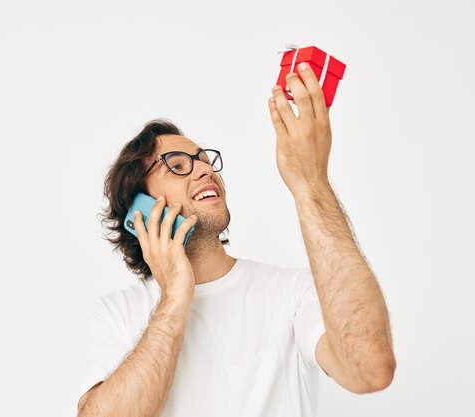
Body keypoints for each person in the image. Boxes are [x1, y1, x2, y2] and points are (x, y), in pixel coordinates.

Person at [77, 62, 396, 417]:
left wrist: (311, 183)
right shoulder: (118, 314)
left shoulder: (291, 294)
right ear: (140, 212)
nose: (204, 169)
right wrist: (174, 299)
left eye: (204, 160)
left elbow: (370, 370)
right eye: (178, 165)